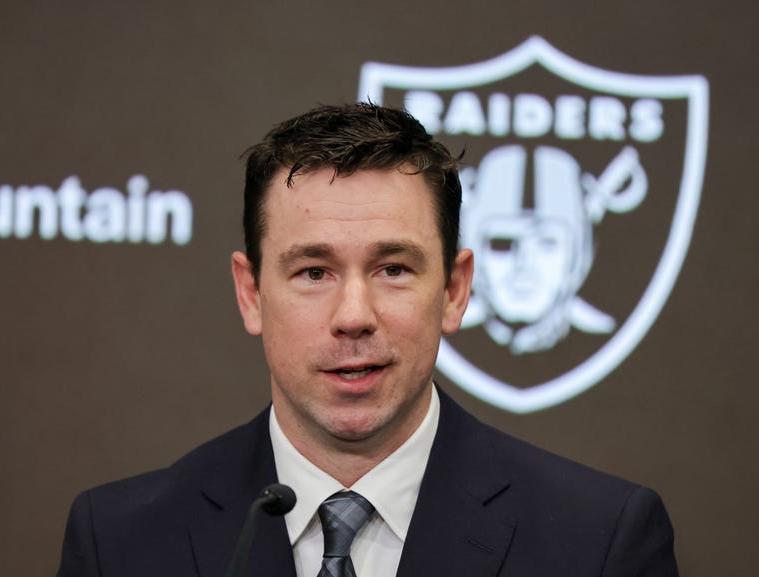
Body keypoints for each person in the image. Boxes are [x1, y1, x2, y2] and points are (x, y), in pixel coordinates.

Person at [57, 103, 679, 577]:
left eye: (393, 269)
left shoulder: (599, 543)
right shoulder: (120, 542)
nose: (353, 315)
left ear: (456, 290)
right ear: (251, 293)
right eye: (313, 272)